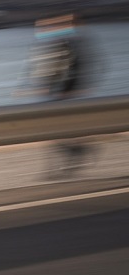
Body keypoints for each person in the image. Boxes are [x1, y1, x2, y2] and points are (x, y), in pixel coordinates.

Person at [26, 13, 93, 177]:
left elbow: (71, 70)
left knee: (53, 132)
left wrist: (65, 91)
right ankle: (69, 158)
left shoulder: (68, 43)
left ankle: (62, 163)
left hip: (61, 95)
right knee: (54, 132)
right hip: (57, 94)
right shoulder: (59, 43)